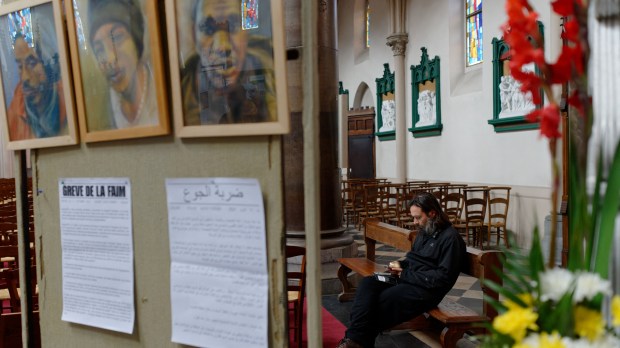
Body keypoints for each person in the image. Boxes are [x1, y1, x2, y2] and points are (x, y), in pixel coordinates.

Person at [337, 192, 466, 348]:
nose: (415, 222)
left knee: (385, 298)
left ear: (432, 213)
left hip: (425, 290)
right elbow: (412, 259)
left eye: (418, 217)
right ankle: (357, 341)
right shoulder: (425, 231)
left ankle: (354, 341)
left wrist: (405, 274)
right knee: (369, 282)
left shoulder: (451, 239)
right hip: (405, 278)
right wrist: (397, 265)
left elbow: (442, 278)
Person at [181, 0, 277, 125]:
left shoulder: (274, 80)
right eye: (207, 28)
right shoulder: (180, 91)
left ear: (247, 32)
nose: (222, 46)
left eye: (233, 25)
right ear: (194, 35)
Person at [88, 0, 158, 129]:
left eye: (118, 37)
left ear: (136, 40)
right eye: (99, 49)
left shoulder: (161, 91)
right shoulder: (102, 111)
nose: (110, 58)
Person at [7, 29, 67, 140]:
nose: (25, 77)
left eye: (32, 63)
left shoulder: (67, 100)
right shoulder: (15, 111)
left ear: (49, 65)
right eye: (20, 66)